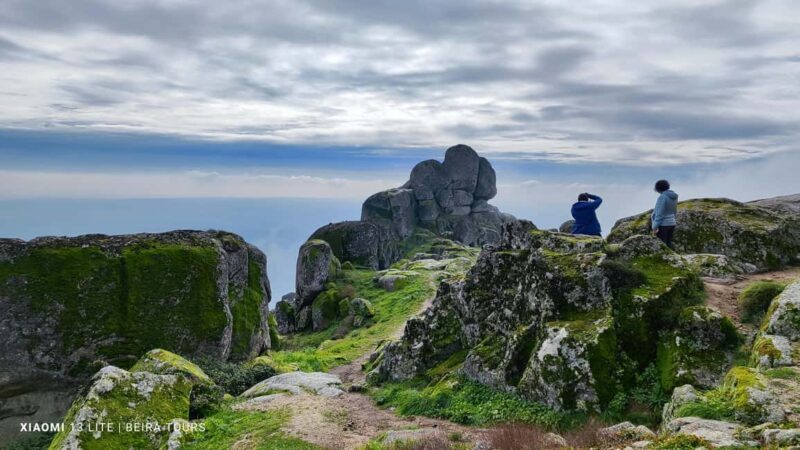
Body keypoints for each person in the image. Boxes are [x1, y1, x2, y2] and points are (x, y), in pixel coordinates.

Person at [652, 179, 678, 248]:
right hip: (672, 223)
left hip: (663, 225)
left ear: (658, 188)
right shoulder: (674, 196)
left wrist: (654, 227)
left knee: (661, 246)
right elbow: (674, 210)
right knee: (668, 244)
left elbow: (660, 214)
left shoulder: (662, 197)